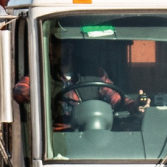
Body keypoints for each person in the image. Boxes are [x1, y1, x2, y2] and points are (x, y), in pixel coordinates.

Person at [13, 37, 146, 130]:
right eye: (48, 45)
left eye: (55, 46)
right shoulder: (40, 72)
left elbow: (115, 98)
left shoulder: (94, 73)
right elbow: (21, 89)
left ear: (70, 48)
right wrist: (28, 91)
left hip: (92, 132)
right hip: (56, 139)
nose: (49, 50)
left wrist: (135, 105)